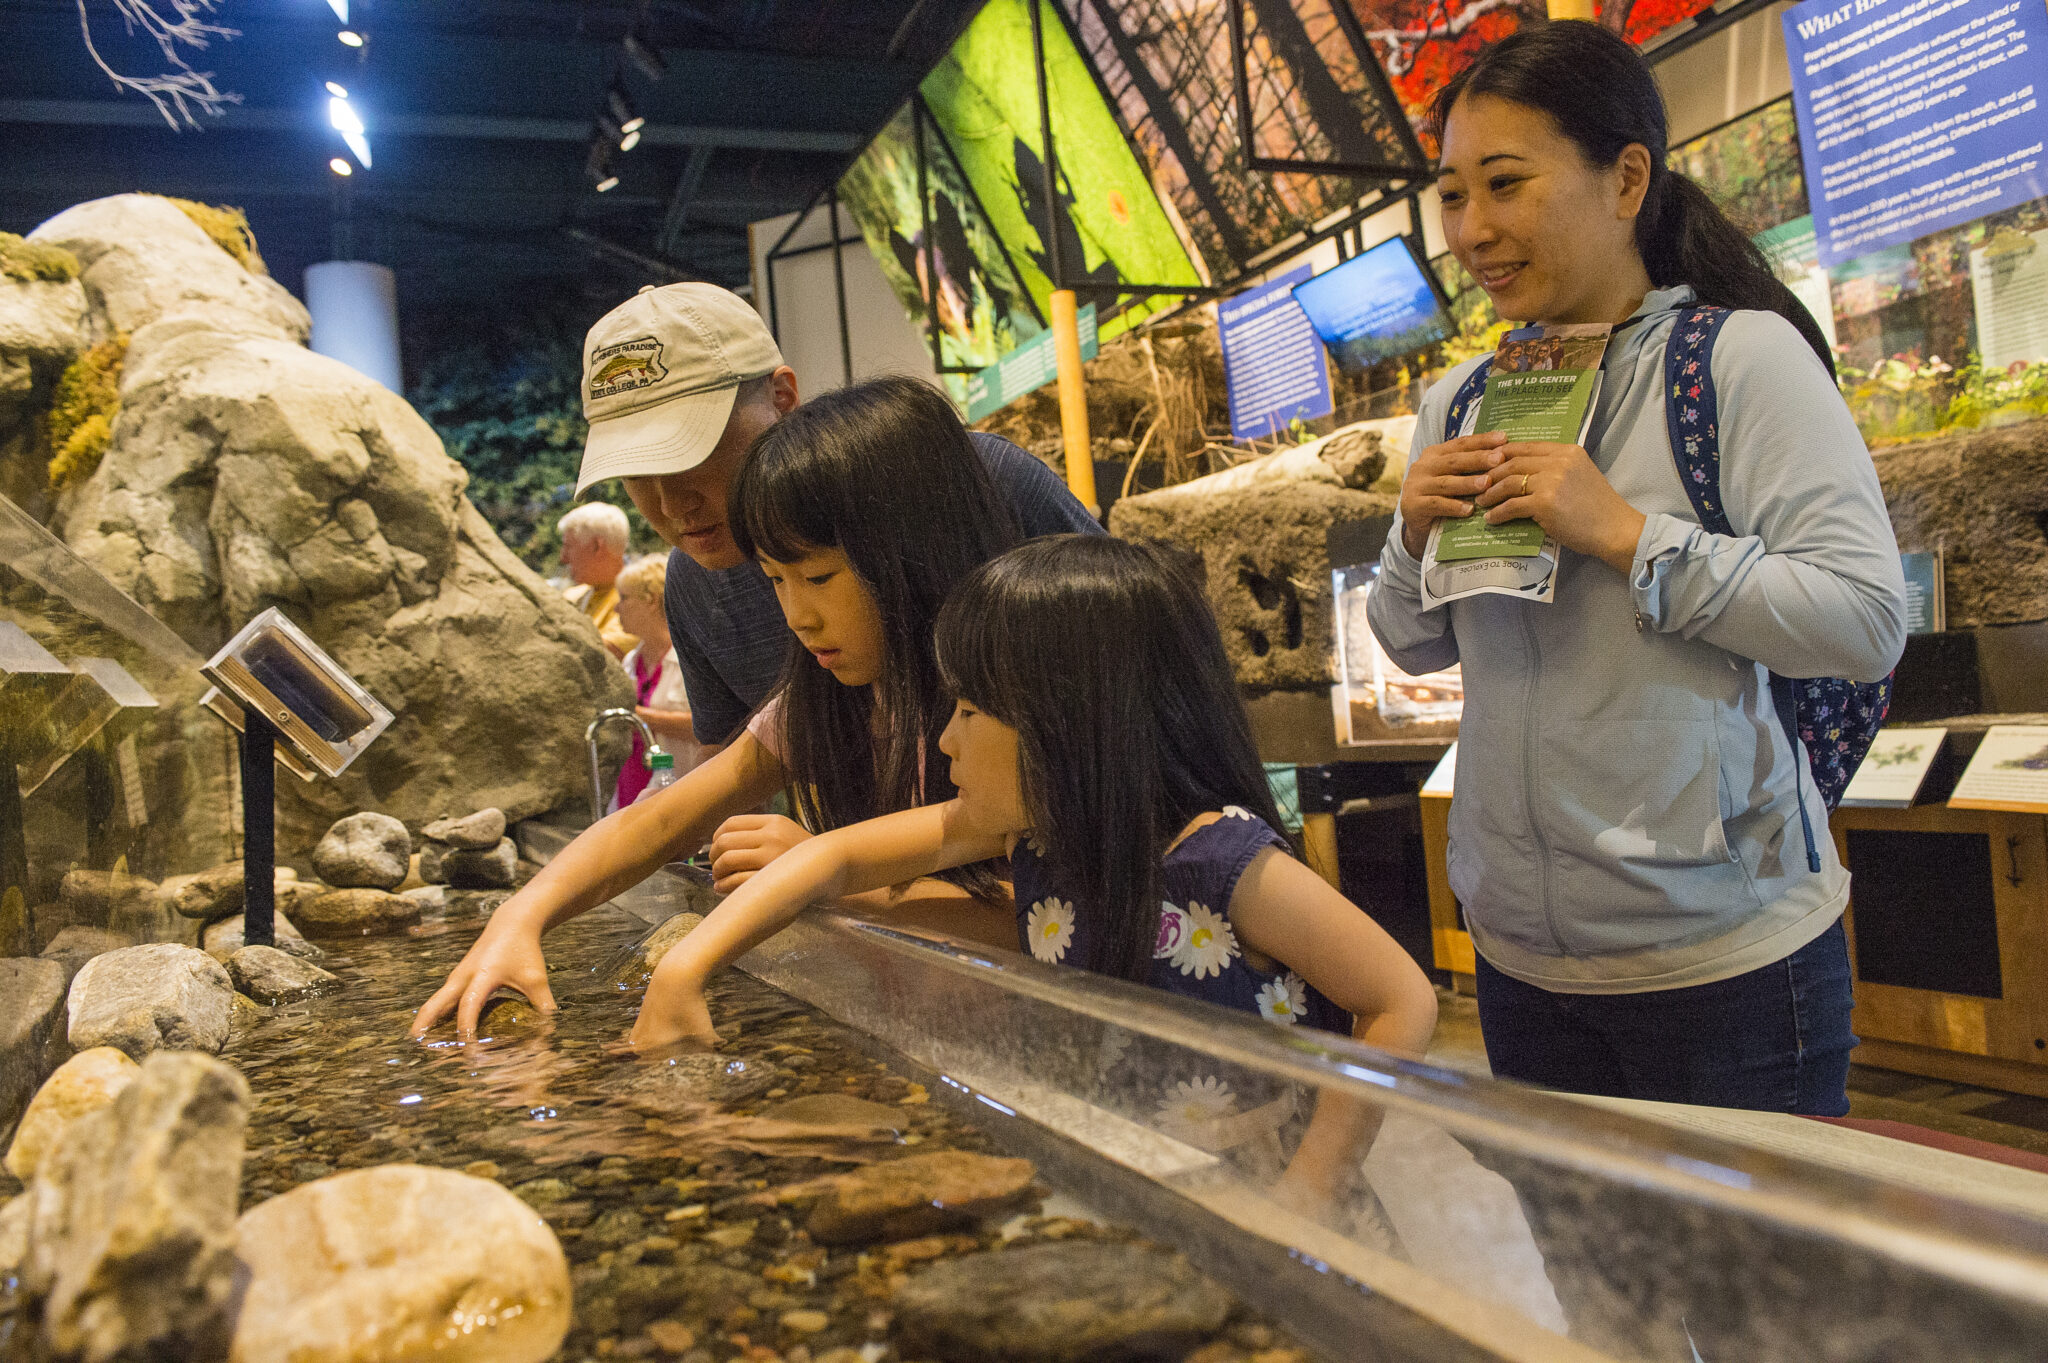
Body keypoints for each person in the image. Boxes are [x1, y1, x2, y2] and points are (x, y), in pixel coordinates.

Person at [1367, 22, 1905, 1114]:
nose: (1472, 230)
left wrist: (1624, 534)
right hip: (1517, 970)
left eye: (1504, 184)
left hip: (1724, 967)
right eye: (1452, 195)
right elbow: (1411, 639)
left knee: (1748, 1290)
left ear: (1623, 178)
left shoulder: (1738, 359)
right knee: (1589, 1286)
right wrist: (1409, 536)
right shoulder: (1459, 399)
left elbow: (1859, 618)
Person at [632, 536, 1440, 1191]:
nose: (946, 738)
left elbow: (1400, 998)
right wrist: (686, 969)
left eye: (974, 710)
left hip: (1262, 1197)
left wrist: (1305, 1199)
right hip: (1139, 1176)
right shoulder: (1033, 830)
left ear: (1077, 726)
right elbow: (836, 858)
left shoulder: (1221, 864)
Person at [412, 377, 1027, 1039]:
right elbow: (663, 819)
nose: (798, 616)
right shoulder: (833, 696)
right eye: (775, 581)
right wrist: (522, 914)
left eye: (818, 578)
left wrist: (818, 874)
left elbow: (1037, 916)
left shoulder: (1008, 705)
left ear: (915, 550)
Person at [573, 283, 1100, 755]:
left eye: (690, 453)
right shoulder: (694, 583)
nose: (670, 504)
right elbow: (729, 777)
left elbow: (1136, 671)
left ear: (782, 398)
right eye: (635, 473)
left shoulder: (977, 479)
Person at [610, 554, 701, 809]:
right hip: (630, 792)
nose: (617, 608)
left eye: (624, 598)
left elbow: (709, 728)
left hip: (683, 799)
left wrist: (636, 717)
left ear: (650, 601)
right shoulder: (631, 660)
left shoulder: (690, 657)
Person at [557, 502, 638, 659]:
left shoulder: (639, 599)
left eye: (568, 546)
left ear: (597, 546)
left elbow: (600, 657)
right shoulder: (572, 596)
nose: (563, 558)